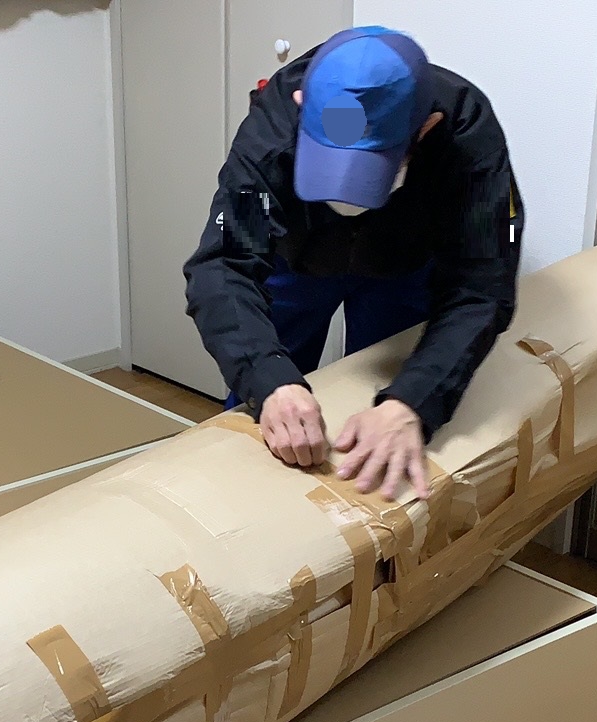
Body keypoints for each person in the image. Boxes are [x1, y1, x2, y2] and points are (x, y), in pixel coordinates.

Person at [185, 26, 523, 501]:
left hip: (402, 265)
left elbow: (483, 286)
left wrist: (413, 402)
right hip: (296, 261)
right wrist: (269, 381)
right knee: (268, 405)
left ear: (426, 128)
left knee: (392, 418)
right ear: (302, 104)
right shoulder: (271, 130)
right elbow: (224, 263)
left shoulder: (468, 135)